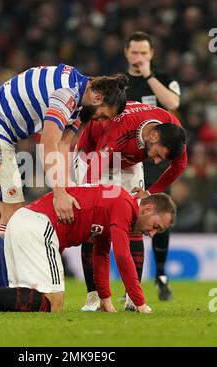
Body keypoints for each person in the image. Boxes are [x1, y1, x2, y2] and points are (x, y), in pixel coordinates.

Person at [0, 63, 128, 287]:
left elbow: (63, 145)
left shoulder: (80, 94)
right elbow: (48, 144)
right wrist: (59, 192)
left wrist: (70, 188)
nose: (99, 121)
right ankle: (12, 289)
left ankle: (1, 289)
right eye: (102, 116)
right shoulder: (66, 95)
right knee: (14, 216)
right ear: (98, 98)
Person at [0, 185, 177, 314]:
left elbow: (101, 254)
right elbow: (123, 256)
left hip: (23, 223)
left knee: (27, 300)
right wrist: (140, 302)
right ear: (147, 210)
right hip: (39, 227)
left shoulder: (116, 203)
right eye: (156, 226)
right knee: (53, 304)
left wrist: (105, 298)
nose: (152, 233)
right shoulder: (124, 204)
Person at [76, 101, 187, 311]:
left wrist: (151, 192)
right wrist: (90, 201)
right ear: (153, 136)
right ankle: (94, 298)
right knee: (94, 226)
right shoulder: (120, 130)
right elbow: (95, 169)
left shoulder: (171, 130)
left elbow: (180, 165)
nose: (155, 162)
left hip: (128, 160)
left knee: (136, 223)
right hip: (92, 154)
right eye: (158, 155)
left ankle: (132, 298)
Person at [124, 31, 181, 301]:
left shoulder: (164, 79)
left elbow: (172, 103)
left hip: (156, 161)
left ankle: (160, 273)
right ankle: (126, 281)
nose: (139, 58)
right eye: (135, 52)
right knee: (125, 215)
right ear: (126, 53)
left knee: (157, 213)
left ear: (151, 54)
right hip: (126, 159)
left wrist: (148, 75)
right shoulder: (119, 83)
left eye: (144, 53)